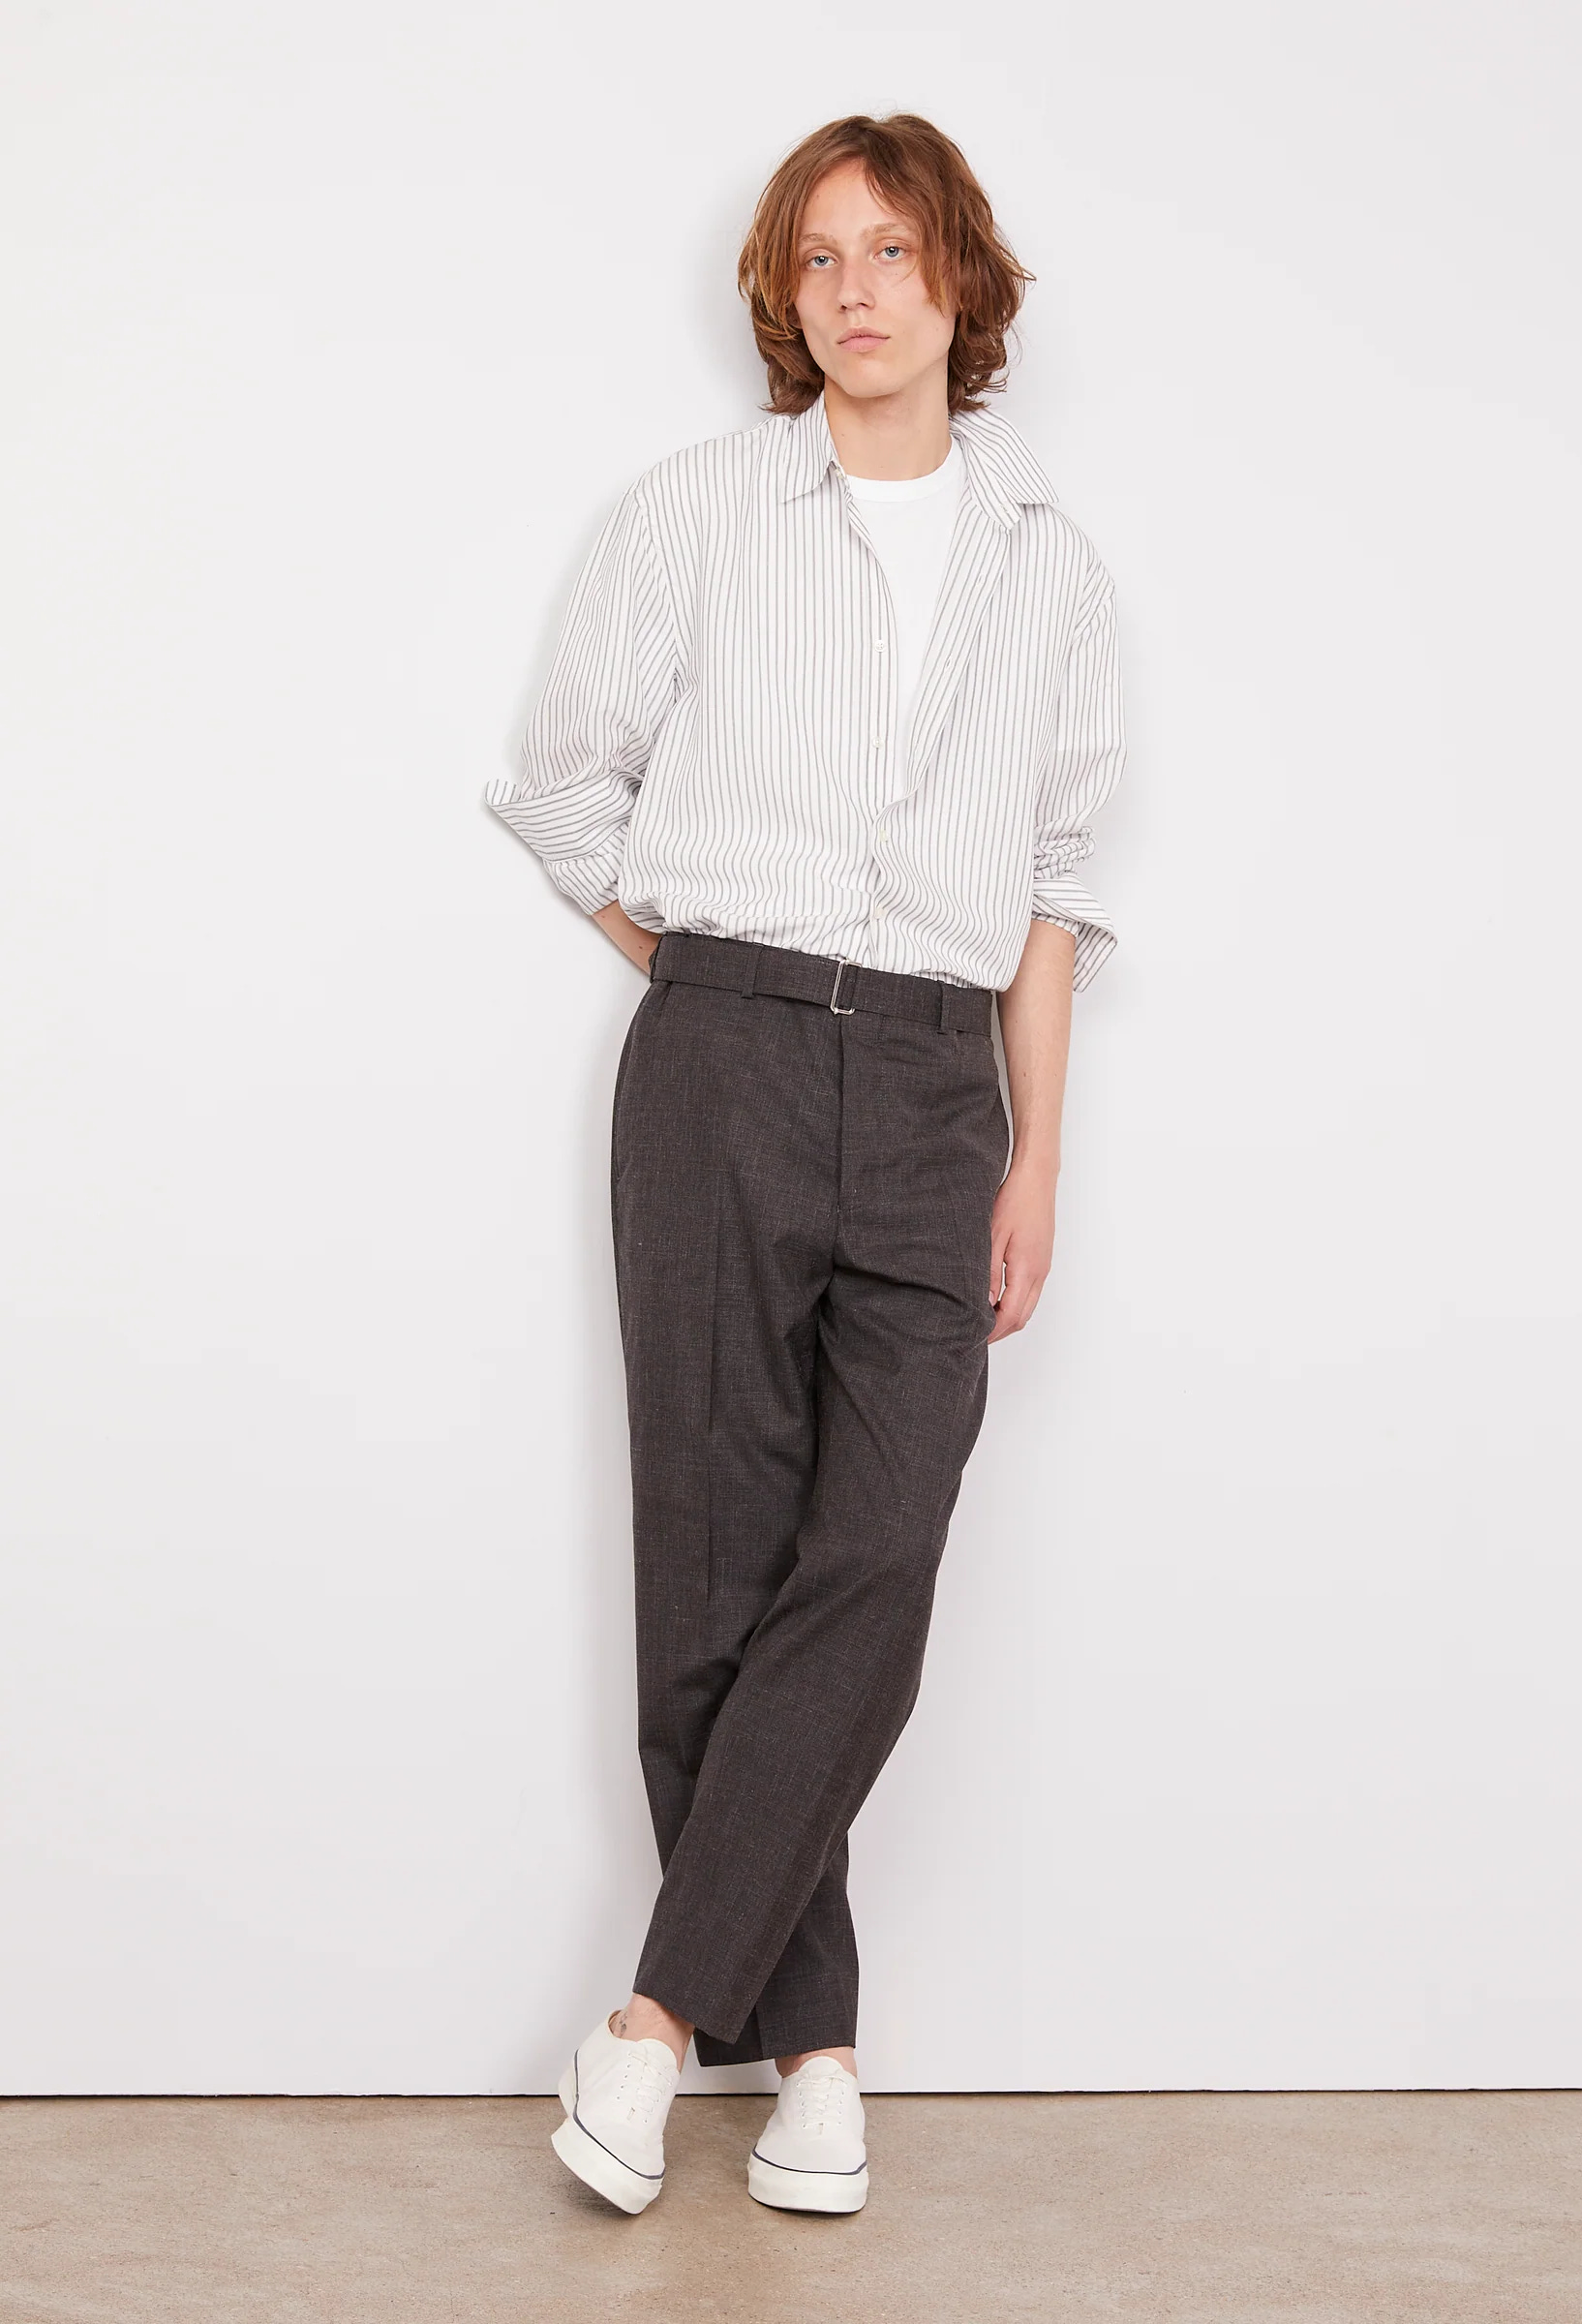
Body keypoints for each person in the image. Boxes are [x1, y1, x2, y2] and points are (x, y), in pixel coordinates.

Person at [487, 110, 1125, 2217]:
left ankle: (657, 2025)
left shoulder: (1050, 565)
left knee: (877, 1556)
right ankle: (823, 2064)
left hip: (945, 1093)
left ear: (962, 281)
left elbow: (1051, 893)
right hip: (724, 1061)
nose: (856, 291)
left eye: (892, 251)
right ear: (785, 296)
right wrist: (710, 977)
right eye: (819, 258)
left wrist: (1038, 1156)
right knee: (713, 1567)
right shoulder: (693, 512)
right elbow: (564, 787)